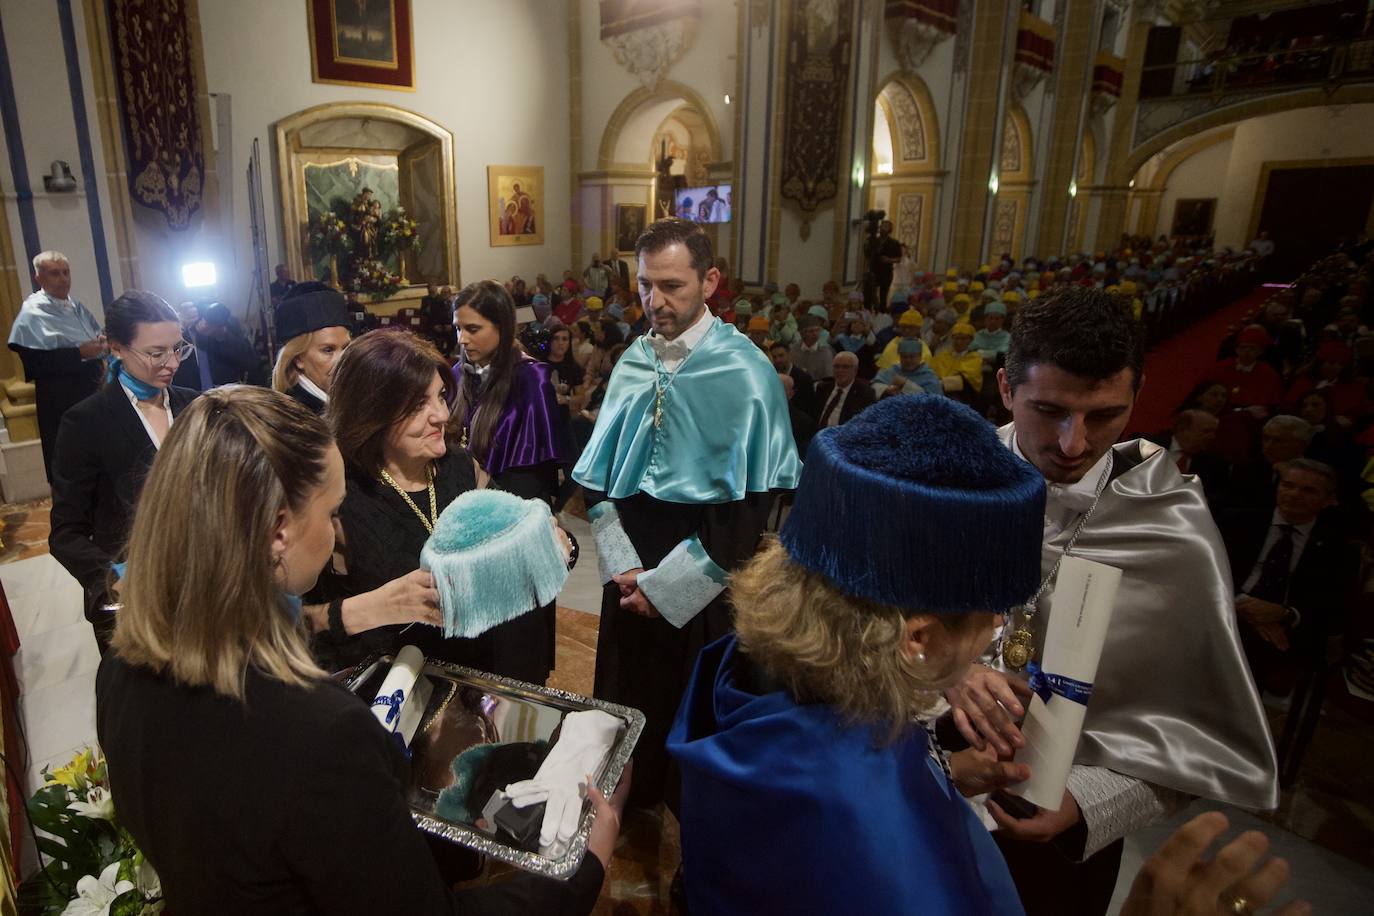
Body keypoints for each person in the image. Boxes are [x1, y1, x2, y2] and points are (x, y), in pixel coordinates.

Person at [669, 395, 1304, 916]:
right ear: (917, 640)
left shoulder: (737, 671)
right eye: (990, 611)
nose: (1001, 625)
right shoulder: (898, 868)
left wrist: (935, 771)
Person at [96, 385, 622, 915]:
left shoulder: (119, 666)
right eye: (330, 514)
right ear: (279, 530)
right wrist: (581, 874)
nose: (335, 536)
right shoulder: (317, 731)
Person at [946, 285, 1278, 916]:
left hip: (1055, 841)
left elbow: (1188, 743)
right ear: (1006, 389)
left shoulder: (1172, 529)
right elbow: (848, 636)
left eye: (1104, 416)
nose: (1074, 444)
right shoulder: (940, 480)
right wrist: (944, 669)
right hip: (919, 792)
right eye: (1049, 410)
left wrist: (1087, 801)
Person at [572, 218, 801, 814]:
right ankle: (626, 799)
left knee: (690, 716)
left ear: (710, 281)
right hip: (628, 573)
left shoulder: (746, 371)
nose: (654, 301)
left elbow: (748, 515)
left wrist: (666, 590)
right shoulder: (631, 360)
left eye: (671, 285)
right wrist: (622, 566)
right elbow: (601, 484)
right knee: (626, 698)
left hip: (701, 574)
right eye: (645, 285)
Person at [49, 291, 199, 653]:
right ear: (116, 348)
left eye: (178, 348)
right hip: (136, 604)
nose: (171, 363)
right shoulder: (86, 421)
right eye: (156, 352)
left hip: (200, 586)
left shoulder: (195, 405)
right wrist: (118, 578)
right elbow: (66, 533)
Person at [451, 281, 574, 683]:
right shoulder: (455, 375)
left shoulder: (531, 380)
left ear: (501, 327)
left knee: (514, 659)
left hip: (512, 529)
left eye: (473, 328)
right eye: (458, 328)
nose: (463, 339)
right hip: (465, 529)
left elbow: (533, 480)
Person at [1219, 459, 1357, 697]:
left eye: (1308, 490)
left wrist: (1285, 613)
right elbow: (1203, 572)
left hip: (1284, 630)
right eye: (1288, 485)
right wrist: (1242, 604)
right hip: (1223, 609)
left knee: (1261, 654)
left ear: (1327, 501)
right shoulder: (1236, 522)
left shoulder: (1339, 549)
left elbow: (1333, 608)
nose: (1294, 494)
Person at [8, 251, 105, 481]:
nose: (63, 279)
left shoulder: (76, 306)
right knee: (69, 463)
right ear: (39, 278)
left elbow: (94, 333)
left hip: (91, 387)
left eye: (66, 272)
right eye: (54, 274)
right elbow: (34, 365)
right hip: (60, 396)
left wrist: (102, 342)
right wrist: (78, 353)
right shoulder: (32, 314)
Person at [271, 282, 352, 415]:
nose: (342, 360)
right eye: (328, 350)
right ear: (298, 358)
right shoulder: (295, 420)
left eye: (345, 348)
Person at [1202, 325, 1284, 416]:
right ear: (1236, 350)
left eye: (1252, 348)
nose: (1247, 351)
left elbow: (1270, 405)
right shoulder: (1220, 368)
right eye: (1243, 347)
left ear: (1260, 351)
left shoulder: (1269, 374)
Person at [192, 302, 264, 387]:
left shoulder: (230, 326)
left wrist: (223, 337)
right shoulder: (187, 328)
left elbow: (251, 361)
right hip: (197, 387)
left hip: (227, 387)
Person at [813, 351, 875, 425]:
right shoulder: (823, 387)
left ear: (855, 370)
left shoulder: (865, 393)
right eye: (836, 366)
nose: (839, 370)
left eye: (845, 367)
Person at [930, 321, 984, 397]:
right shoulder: (942, 356)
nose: (959, 342)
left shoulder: (974, 357)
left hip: (962, 395)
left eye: (963, 338)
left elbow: (965, 379)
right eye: (956, 338)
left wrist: (942, 383)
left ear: (970, 340)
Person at [872, 339, 940, 398]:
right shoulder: (893, 370)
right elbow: (875, 385)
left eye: (912, 357)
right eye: (904, 357)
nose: (908, 360)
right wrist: (886, 390)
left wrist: (905, 384)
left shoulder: (928, 375)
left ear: (920, 357)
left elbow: (934, 400)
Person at [768, 340, 816, 415]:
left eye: (781, 355)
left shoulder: (804, 379)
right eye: (774, 357)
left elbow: (808, 408)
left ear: (789, 354)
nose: (778, 360)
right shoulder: (770, 376)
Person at [864, 219, 902, 309]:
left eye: (885, 227)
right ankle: (870, 312)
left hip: (886, 273)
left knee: (883, 295)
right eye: (881, 226)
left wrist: (889, 260)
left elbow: (899, 258)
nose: (882, 228)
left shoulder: (894, 243)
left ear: (889, 230)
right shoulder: (874, 241)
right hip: (873, 271)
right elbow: (867, 255)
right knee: (870, 294)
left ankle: (882, 314)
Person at [789, 315, 834, 380]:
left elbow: (829, 377)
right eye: (811, 331)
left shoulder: (826, 352)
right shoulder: (793, 350)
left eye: (817, 330)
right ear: (802, 333)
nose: (815, 334)